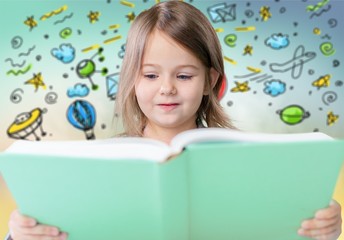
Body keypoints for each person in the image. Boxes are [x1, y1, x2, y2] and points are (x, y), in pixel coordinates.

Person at [7, 1, 342, 239]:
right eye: (150, 75)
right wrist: (19, 233)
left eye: (184, 76)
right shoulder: (103, 160)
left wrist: (322, 226)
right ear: (132, 81)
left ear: (211, 80)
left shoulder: (246, 157)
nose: (166, 88)